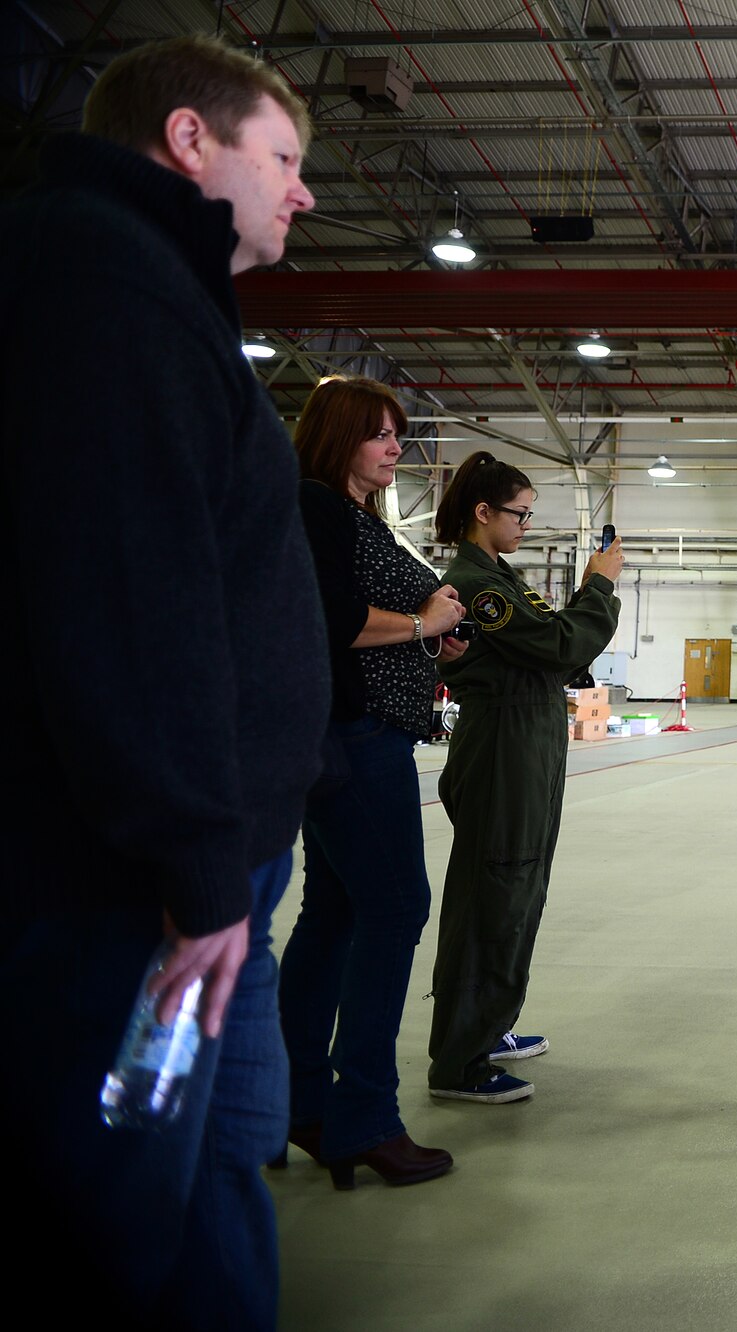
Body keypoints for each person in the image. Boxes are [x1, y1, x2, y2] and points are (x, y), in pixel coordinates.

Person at [0, 35, 324, 1325]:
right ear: (191, 140)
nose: (303, 195)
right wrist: (194, 869)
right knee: (123, 1203)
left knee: (212, 1174)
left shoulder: (148, 287)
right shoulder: (105, 284)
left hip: (202, 875)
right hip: (142, 894)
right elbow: (132, 600)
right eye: (285, 160)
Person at [278, 376, 465, 1188]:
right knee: (395, 910)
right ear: (339, 437)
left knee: (334, 915)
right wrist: (425, 624)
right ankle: (363, 1118)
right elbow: (329, 619)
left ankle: (291, 1108)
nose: (396, 446)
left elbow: (372, 619)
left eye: (398, 432)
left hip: (352, 735)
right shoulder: (316, 506)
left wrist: (428, 641)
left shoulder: (352, 514)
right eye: (380, 433)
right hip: (355, 740)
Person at [426, 452, 622, 1104]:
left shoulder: (503, 578)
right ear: (483, 511)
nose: (527, 524)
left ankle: (489, 1026)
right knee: (495, 894)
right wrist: (598, 585)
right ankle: (460, 1061)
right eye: (520, 512)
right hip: (504, 748)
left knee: (519, 890)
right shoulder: (478, 583)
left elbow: (551, 651)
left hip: (529, 743)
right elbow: (562, 645)